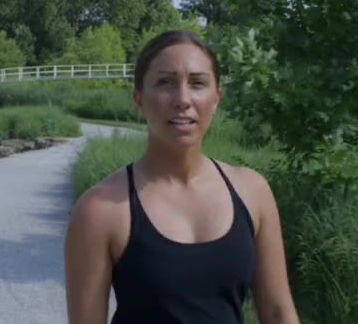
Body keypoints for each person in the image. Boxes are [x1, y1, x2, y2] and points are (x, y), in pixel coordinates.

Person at [63, 30, 300, 324]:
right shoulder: (100, 209)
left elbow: (278, 312)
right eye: (165, 83)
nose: (183, 99)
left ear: (216, 98)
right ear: (138, 98)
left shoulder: (253, 192)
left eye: (198, 83)